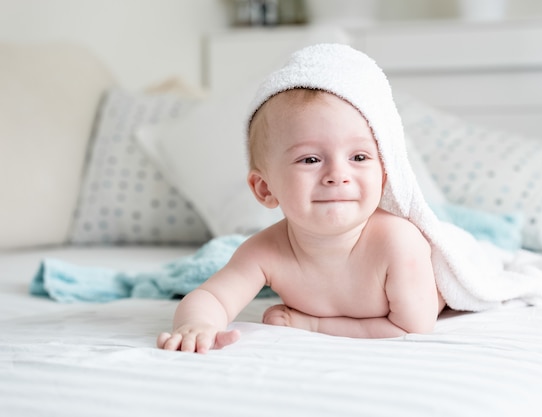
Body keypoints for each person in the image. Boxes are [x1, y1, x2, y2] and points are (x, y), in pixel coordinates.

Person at [157, 46, 446, 354]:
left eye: (359, 157)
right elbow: (212, 297)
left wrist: (313, 325)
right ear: (265, 189)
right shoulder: (266, 251)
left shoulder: (398, 243)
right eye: (310, 159)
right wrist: (198, 325)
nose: (337, 175)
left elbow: (412, 327)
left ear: (384, 177)